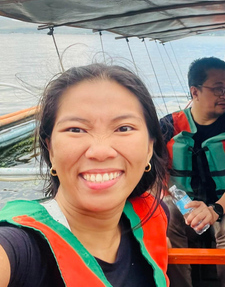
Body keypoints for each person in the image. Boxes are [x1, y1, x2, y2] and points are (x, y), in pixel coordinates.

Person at [0, 64, 171, 286]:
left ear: (150, 148)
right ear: (50, 149)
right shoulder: (20, 248)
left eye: (123, 128)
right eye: (76, 129)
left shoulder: (154, 215)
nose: (100, 152)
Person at [160, 57, 225, 287]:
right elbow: (156, 177)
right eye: (217, 88)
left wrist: (215, 211)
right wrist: (179, 203)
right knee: (165, 218)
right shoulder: (167, 127)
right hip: (181, 200)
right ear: (195, 91)